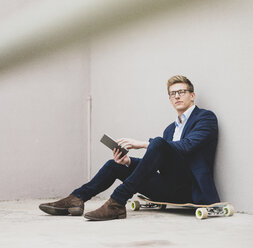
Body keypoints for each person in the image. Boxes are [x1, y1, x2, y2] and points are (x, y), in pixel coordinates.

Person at [39, 75, 220, 221]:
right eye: (172, 94)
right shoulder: (170, 129)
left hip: (190, 190)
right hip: (167, 189)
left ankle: (117, 202)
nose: (177, 96)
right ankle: (76, 199)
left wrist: (143, 144)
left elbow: (187, 146)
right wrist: (129, 162)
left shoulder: (205, 118)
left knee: (157, 143)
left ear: (192, 95)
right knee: (115, 164)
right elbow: (157, 163)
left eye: (181, 92)